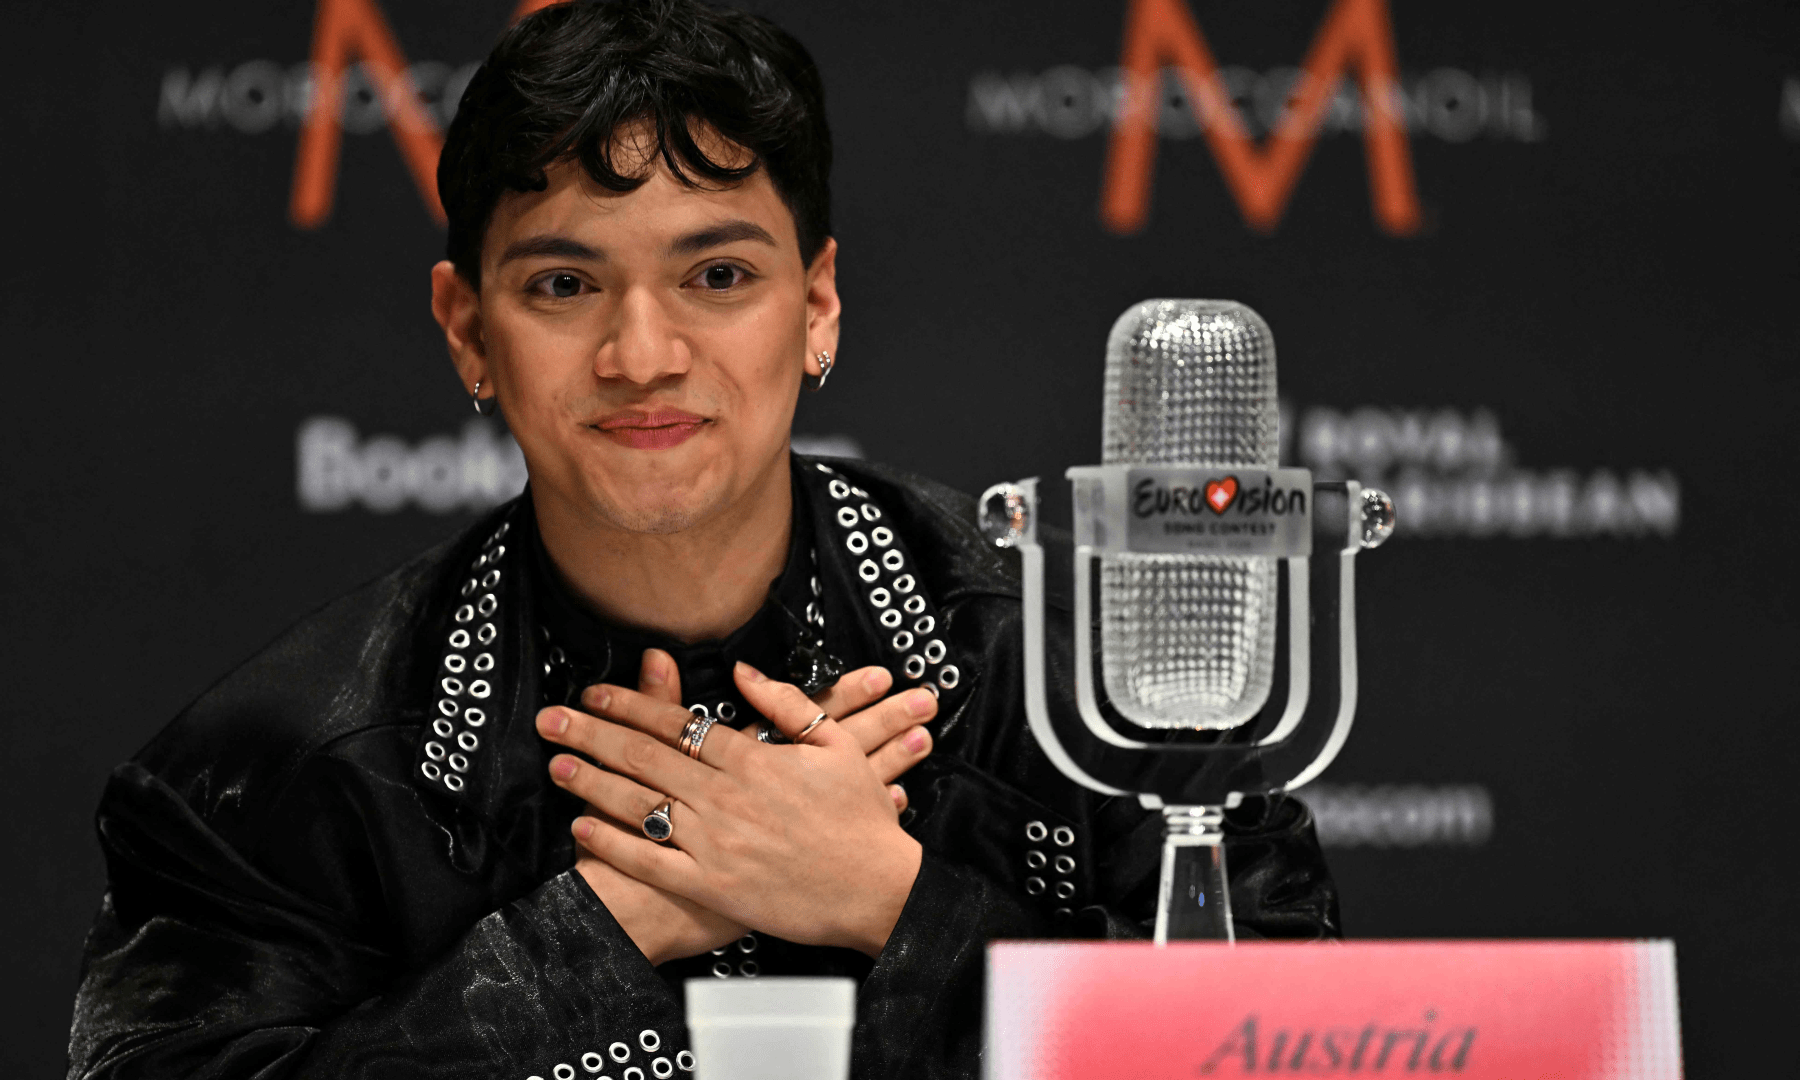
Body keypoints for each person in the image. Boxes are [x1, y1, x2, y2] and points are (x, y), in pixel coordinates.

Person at [67, 2, 1339, 1077]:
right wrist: (594, 933)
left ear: (819, 304)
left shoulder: (1081, 670)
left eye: (717, 276)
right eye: (564, 285)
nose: (643, 355)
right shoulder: (267, 774)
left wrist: (888, 903)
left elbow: (1297, 1044)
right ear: (466, 330)